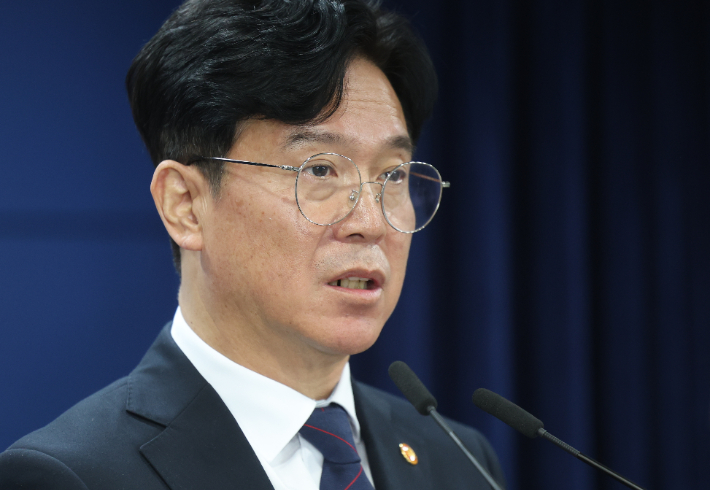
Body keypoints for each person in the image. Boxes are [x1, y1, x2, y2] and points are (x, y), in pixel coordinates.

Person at [0, 0, 504, 488]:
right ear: (185, 204)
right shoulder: (74, 477)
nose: (371, 223)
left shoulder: (459, 462)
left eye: (392, 175)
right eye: (320, 170)